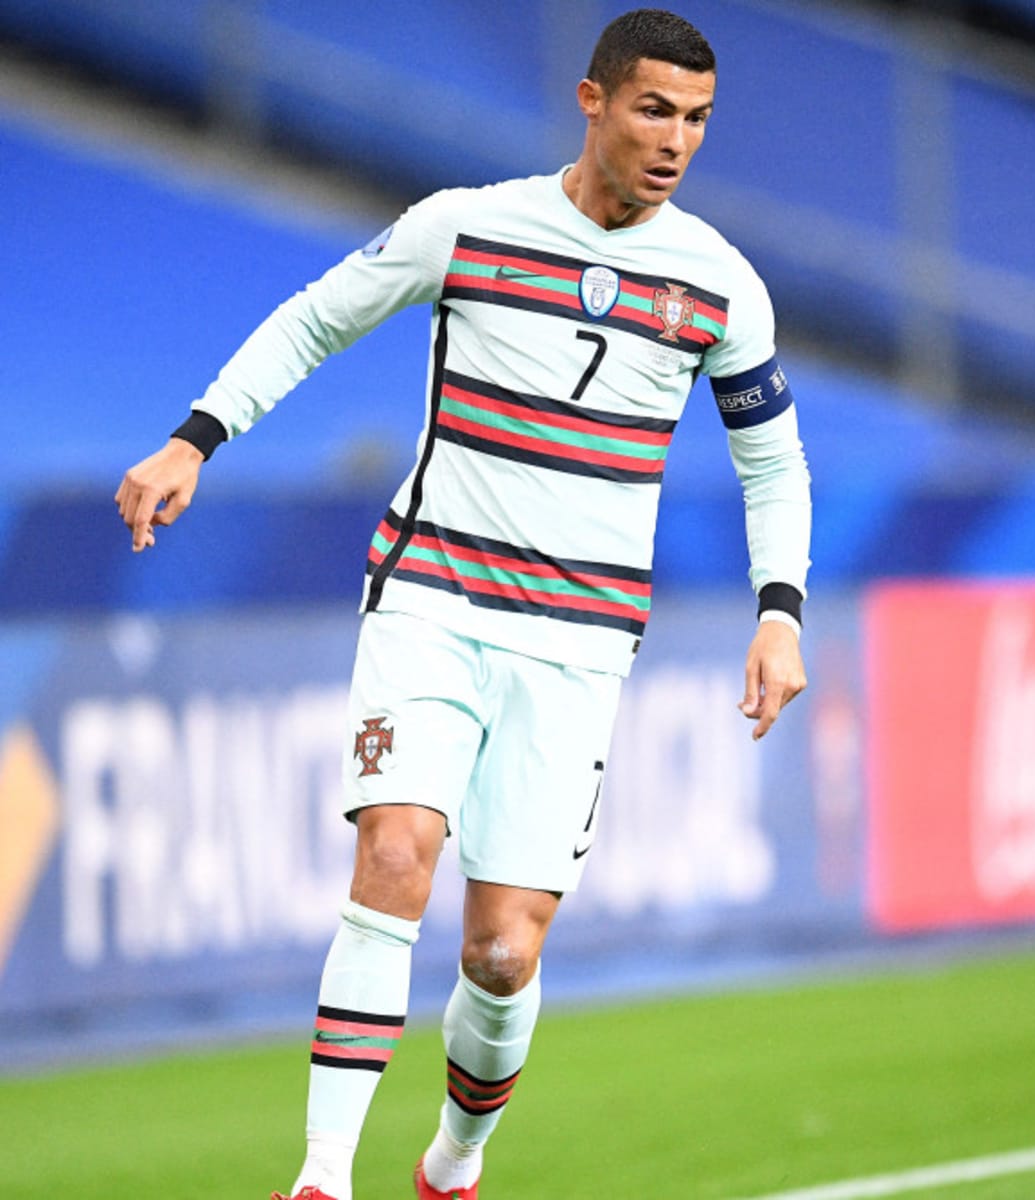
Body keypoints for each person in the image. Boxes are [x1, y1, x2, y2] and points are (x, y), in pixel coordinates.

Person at [115, 9, 810, 1198]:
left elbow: (773, 463)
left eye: (697, 119)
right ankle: (322, 1175)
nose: (675, 140)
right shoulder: (468, 226)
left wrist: (780, 611)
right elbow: (318, 317)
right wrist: (196, 437)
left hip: (579, 640)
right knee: (395, 853)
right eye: (653, 110)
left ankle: (455, 1160)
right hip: (432, 596)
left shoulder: (720, 285)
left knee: (500, 952)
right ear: (592, 102)